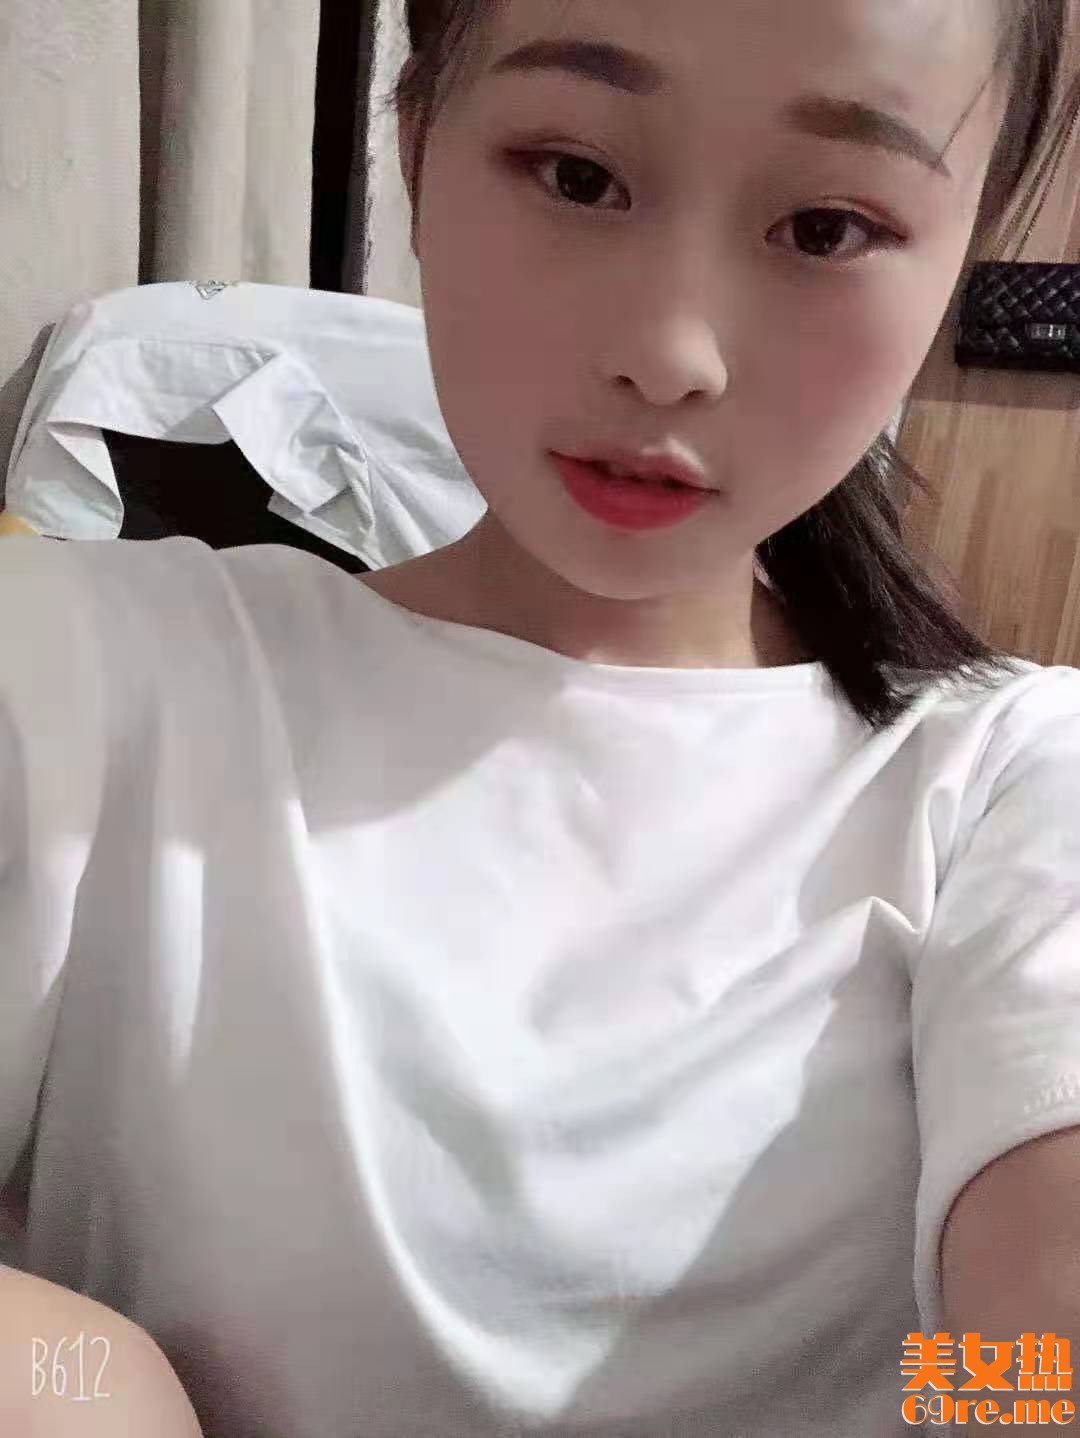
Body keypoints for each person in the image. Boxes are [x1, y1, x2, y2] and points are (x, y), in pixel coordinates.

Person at [1, 0, 1078, 1433]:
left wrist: (944, 1403)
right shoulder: (83, 668)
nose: (671, 352)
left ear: (958, 258)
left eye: (826, 228)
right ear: (415, 148)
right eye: (578, 176)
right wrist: (91, 1387)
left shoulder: (1009, 776)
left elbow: (1044, 1354)